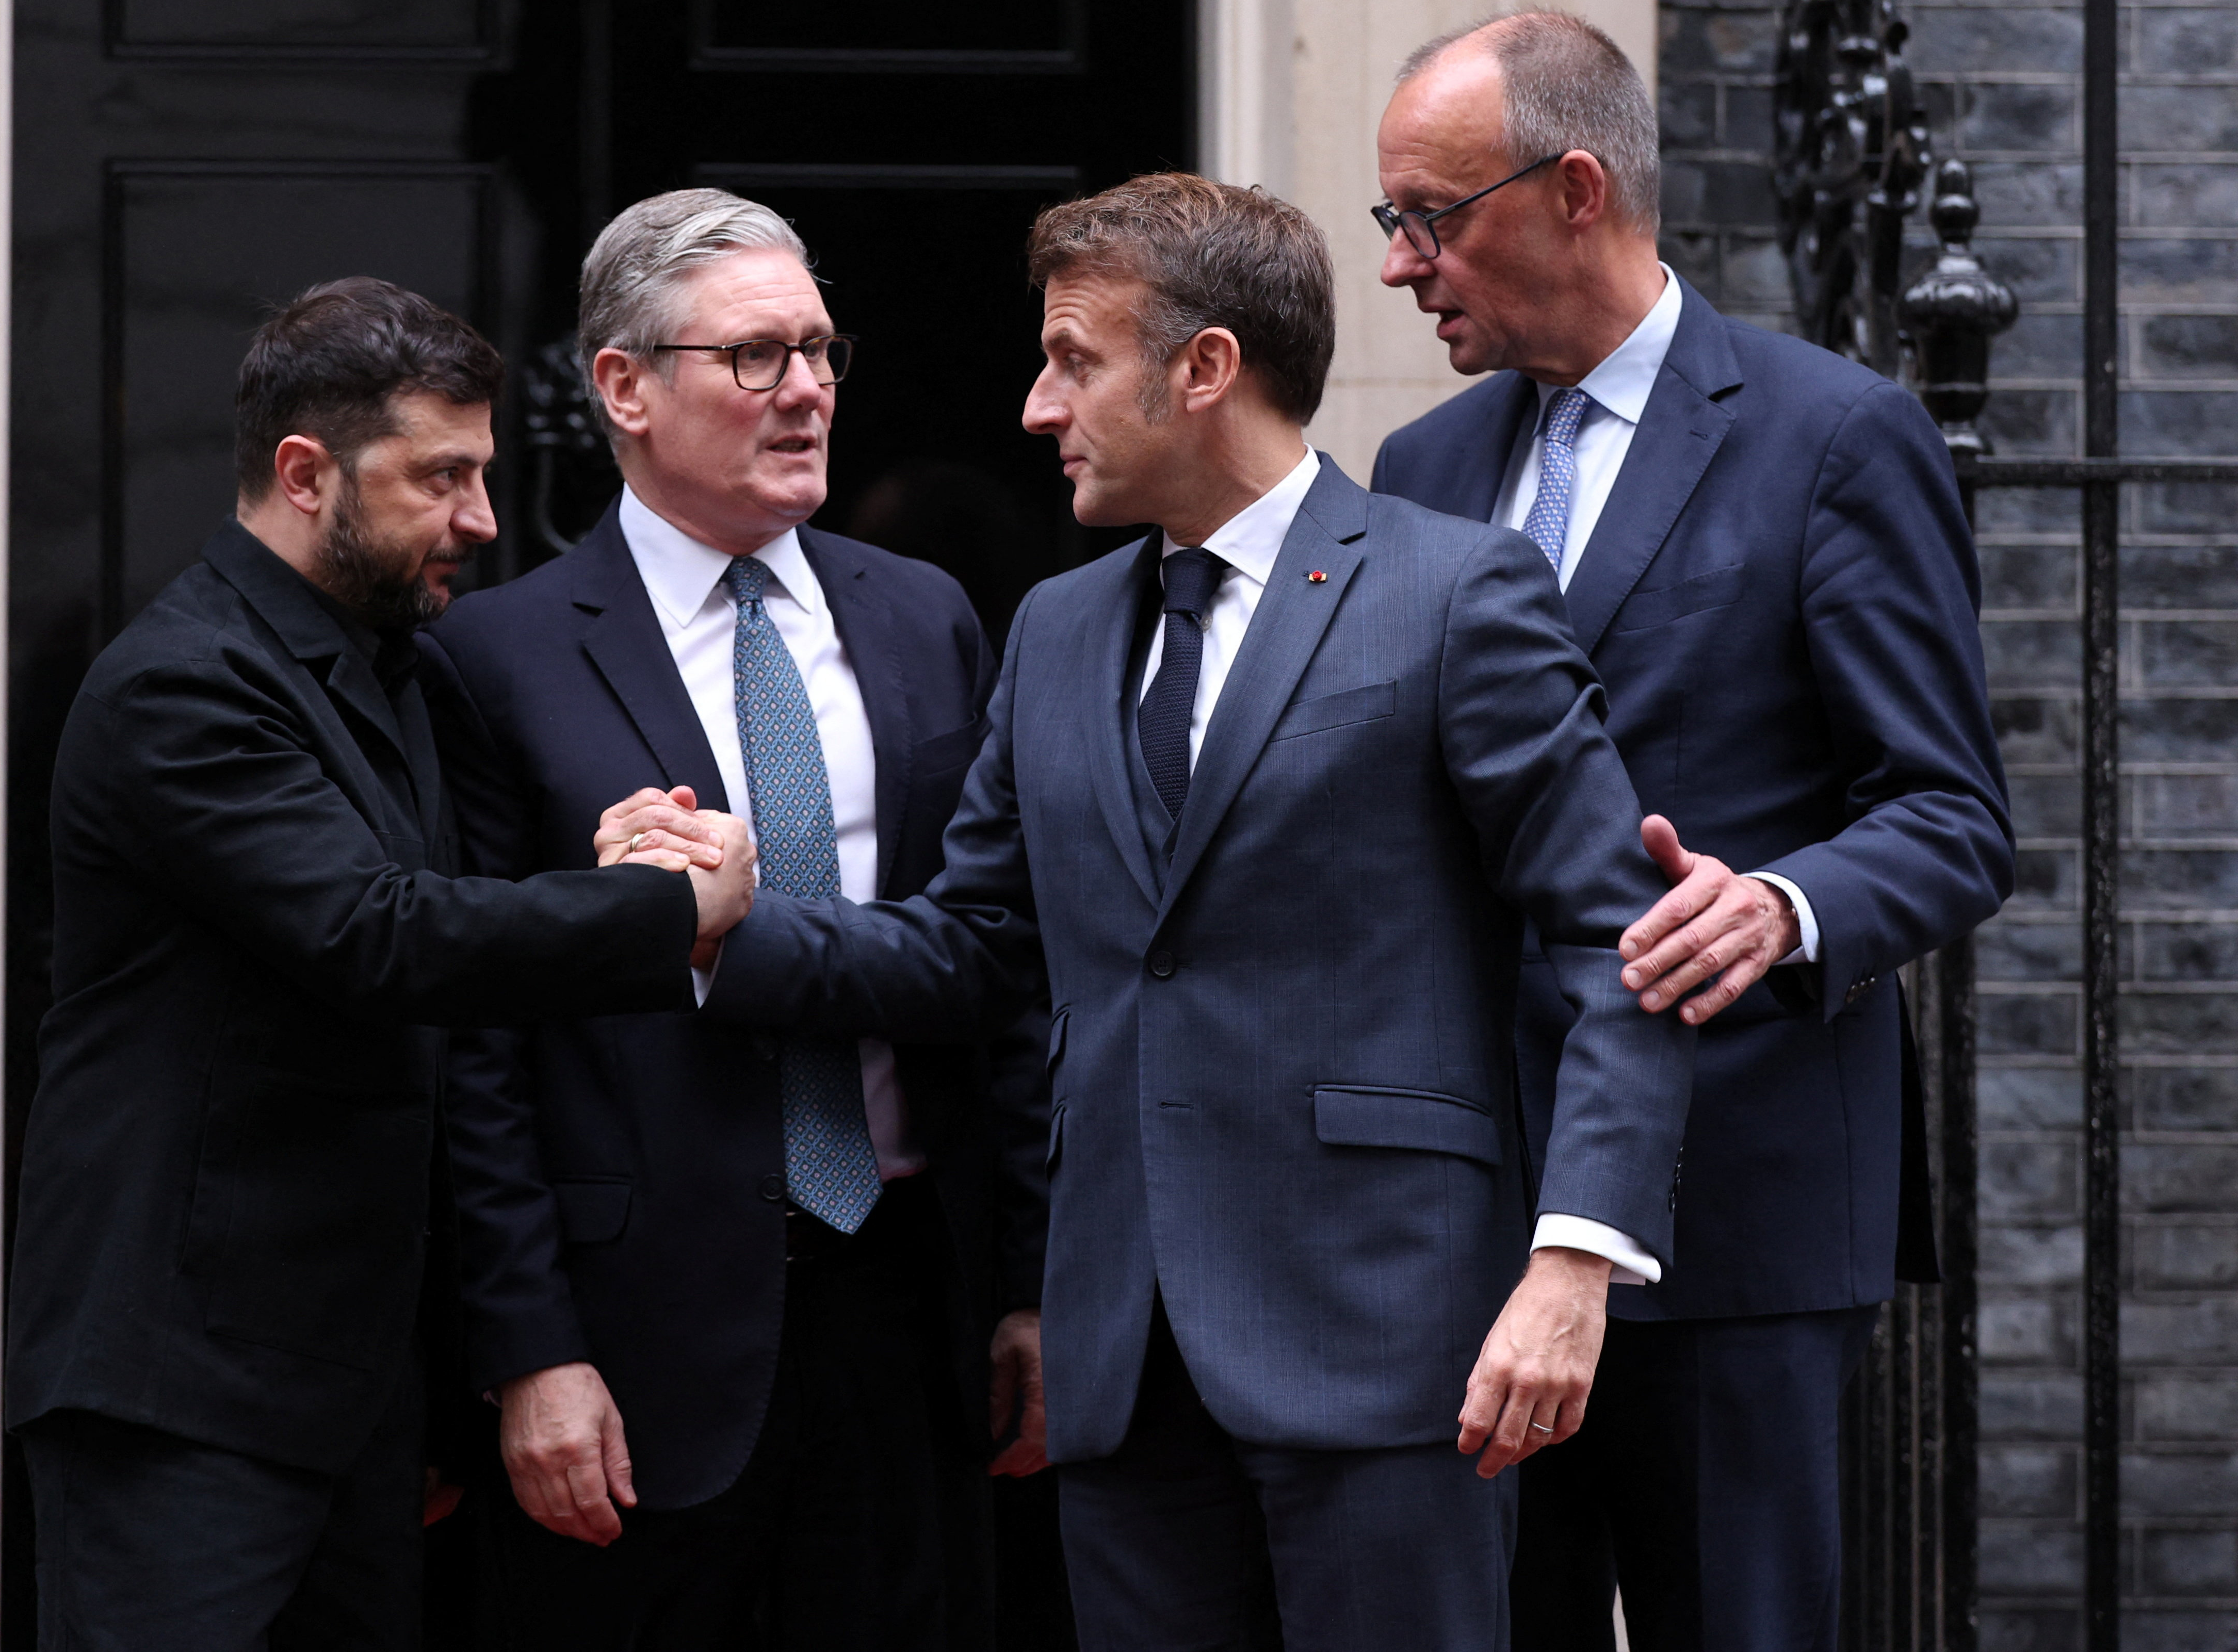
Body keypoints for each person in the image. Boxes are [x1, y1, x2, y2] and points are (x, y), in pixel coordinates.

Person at [626, 175, 1699, 1650]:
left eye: (1074, 359)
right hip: (1124, 1363)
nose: (1033, 407)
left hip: (1393, 1346)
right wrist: (711, 932)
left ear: (1204, 371)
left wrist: (1576, 1261)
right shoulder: (1057, 631)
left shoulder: (1459, 596)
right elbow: (974, 947)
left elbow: (1615, 942)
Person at [1364, 11, 2014, 1652]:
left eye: (1433, 218)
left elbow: (1949, 814)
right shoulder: (1420, 465)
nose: (1402, 265)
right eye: (1394, 223)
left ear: (1575, 188)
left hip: (1741, 1196)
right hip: (1475, 1202)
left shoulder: (1835, 433)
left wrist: (1788, 908)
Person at [2, 278, 756, 1652]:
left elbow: (447, 918)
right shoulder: (186, 686)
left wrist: (620, 862)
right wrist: (665, 911)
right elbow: (382, 935)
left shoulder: (390, 667)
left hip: (348, 1396)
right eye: (443, 479)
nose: (480, 519)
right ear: (306, 475)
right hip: (184, 1393)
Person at [428, 190, 1051, 1650]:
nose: (809, 393)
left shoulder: (925, 618)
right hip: (637, 1334)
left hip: (908, 1297)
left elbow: (1000, 970)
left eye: (824, 353)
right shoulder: (496, 659)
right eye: (759, 357)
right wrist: (528, 1352)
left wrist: (1028, 1287)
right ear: (625, 387)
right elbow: (471, 1038)